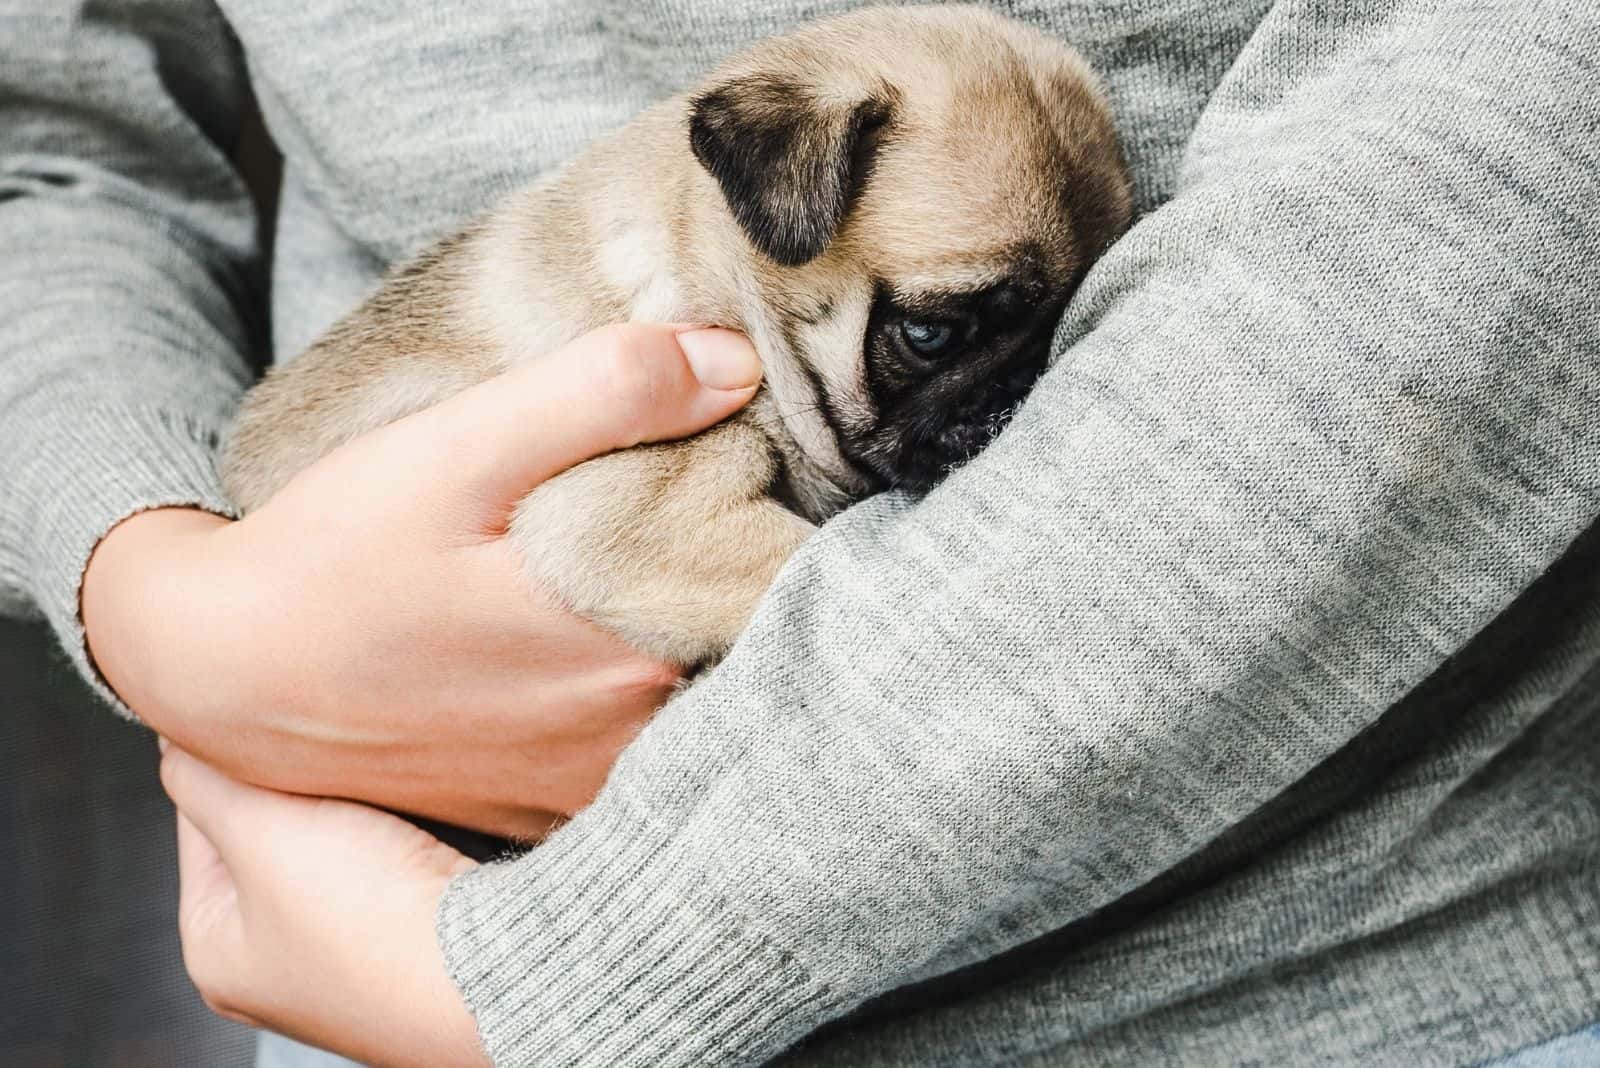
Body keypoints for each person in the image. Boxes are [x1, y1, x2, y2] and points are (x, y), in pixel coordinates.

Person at [2, 1, 1597, 1066]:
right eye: (937, 338)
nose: (1009, 405)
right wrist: (141, 575)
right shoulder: (785, 167)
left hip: (1329, 980)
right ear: (774, 195)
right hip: (390, 977)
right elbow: (43, 147)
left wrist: (567, 977)